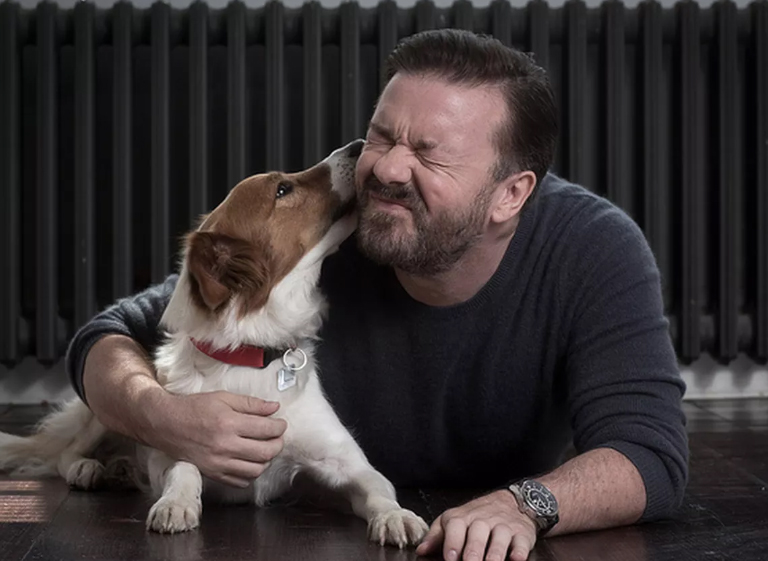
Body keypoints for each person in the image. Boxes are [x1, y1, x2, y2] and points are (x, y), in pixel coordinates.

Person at [64, 29, 688, 561]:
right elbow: (107, 334)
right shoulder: (324, 239)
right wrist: (158, 416)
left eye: (428, 154)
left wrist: (524, 502)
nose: (386, 170)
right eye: (383, 136)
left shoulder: (592, 248)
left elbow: (649, 453)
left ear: (511, 194)